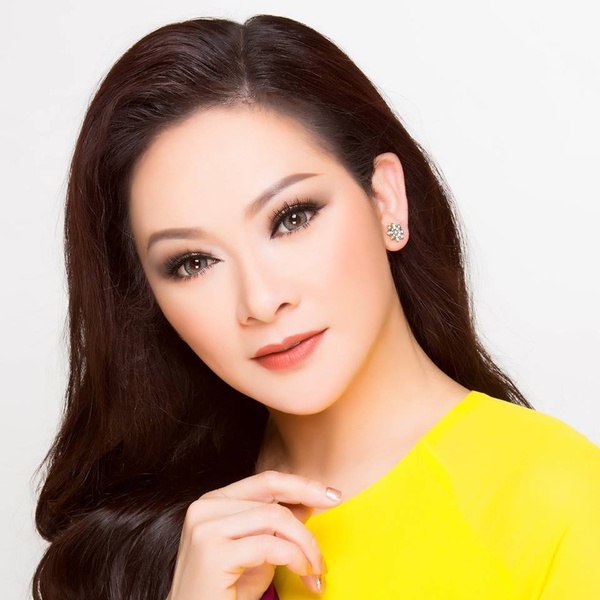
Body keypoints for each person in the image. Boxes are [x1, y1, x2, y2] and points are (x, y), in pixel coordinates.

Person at [33, 14, 600, 600]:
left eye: (292, 218)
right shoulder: (147, 540)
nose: (260, 301)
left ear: (385, 199)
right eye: (193, 262)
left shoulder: (558, 501)